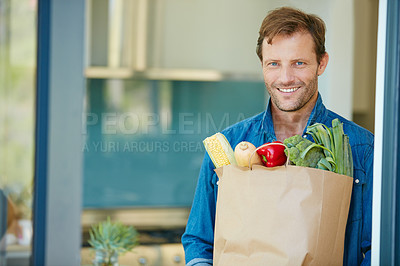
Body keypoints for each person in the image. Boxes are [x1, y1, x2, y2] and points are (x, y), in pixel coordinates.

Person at [181, 6, 373, 266]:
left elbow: (377, 247)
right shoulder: (230, 144)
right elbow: (199, 240)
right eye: (274, 64)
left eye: (299, 63)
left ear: (322, 63)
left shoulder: (363, 148)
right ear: (262, 65)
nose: (285, 78)